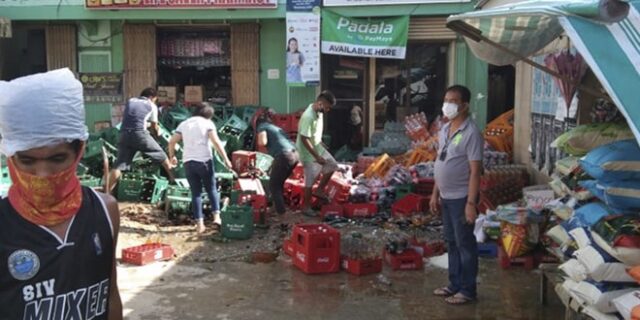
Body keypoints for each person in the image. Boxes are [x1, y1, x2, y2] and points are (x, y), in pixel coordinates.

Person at [0, 68, 122, 319]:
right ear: (10, 157)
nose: (43, 174)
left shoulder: (105, 211)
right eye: (27, 161)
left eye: (57, 158)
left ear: (79, 151)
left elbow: (110, 296)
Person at [430, 85, 483, 305]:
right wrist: (435, 193)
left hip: (462, 197)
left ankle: (468, 289)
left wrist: (471, 203)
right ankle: (454, 284)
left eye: (453, 100)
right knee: (451, 242)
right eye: (446, 99)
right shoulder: (445, 130)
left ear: (464, 105)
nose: (447, 104)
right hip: (446, 196)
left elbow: (475, 171)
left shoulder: (471, 133)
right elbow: (439, 162)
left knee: (465, 244)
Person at [168, 104, 233, 233]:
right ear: (209, 115)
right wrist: (226, 159)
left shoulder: (184, 124)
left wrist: (172, 156)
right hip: (204, 161)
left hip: (188, 162)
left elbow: (171, 141)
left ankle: (200, 224)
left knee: (196, 193)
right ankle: (216, 217)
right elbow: (216, 142)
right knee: (211, 189)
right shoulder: (208, 124)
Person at [107, 87, 175, 193]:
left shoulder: (130, 101)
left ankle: (107, 192)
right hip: (139, 134)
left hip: (124, 133)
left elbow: (134, 118)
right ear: (152, 97)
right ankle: (173, 181)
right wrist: (157, 135)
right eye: (155, 99)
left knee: (119, 165)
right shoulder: (151, 105)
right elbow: (155, 126)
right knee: (161, 155)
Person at [296, 90, 338, 216]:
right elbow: (304, 139)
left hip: (317, 146)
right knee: (310, 180)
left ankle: (319, 190)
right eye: (327, 107)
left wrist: (320, 144)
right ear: (320, 103)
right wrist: (317, 157)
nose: (328, 110)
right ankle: (306, 207)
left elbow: (314, 134)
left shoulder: (318, 112)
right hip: (307, 152)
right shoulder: (308, 116)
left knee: (332, 165)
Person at [255, 109, 299, 215]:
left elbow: (262, 142)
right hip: (295, 155)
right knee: (279, 184)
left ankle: (282, 218)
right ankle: (276, 208)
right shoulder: (275, 128)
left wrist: (259, 137)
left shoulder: (262, 127)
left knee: (274, 185)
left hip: (284, 155)